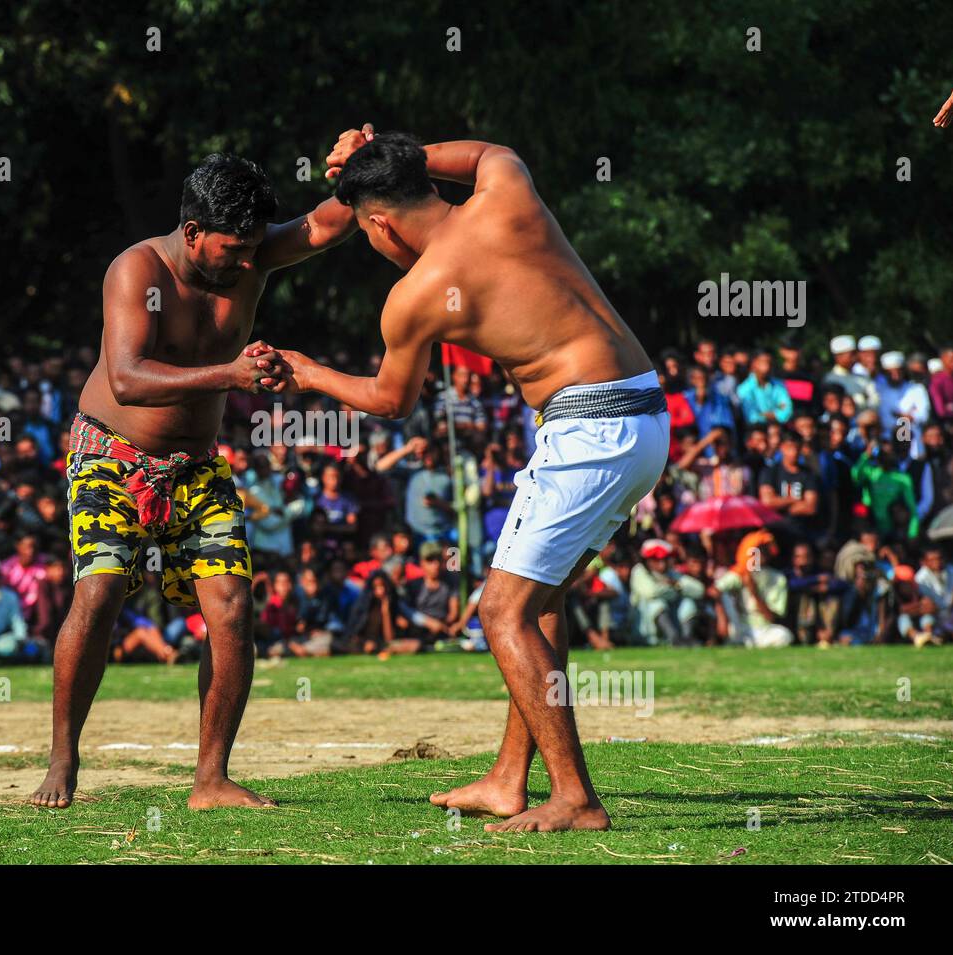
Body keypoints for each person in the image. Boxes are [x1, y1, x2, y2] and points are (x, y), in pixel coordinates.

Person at [278, 125, 670, 832]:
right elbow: (480, 153)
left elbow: (389, 401)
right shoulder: (505, 185)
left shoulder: (416, 294)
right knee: (539, 603)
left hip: (587, 428)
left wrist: (307, 372)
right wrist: (381, 152)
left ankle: (576, 798)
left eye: (367, 233)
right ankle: (507, 778)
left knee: (500, 611)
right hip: (645, 414)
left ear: (379, 224)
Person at [31, 151, 359, 811]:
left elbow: (327, 226)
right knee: (99, 592)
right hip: (112, 452)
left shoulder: (253, 256)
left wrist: (365, 166)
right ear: (191, 232)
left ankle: (211, 779)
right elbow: (127, 377)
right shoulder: (137, 270)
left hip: (198, 463)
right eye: (233, 249)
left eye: (253, 248)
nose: (247, 262)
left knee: (233, 608)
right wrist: (230, 375)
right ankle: (63, 756)